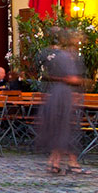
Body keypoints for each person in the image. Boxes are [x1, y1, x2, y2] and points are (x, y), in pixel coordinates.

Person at [35, 28, 87, 175]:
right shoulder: (66, 57)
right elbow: (72, 78)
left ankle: (56, 162)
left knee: (61, 128)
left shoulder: (51, 55)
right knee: (63, 128)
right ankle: (66, 163)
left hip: (55, 93)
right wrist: (81, 81)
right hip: (63, 95)